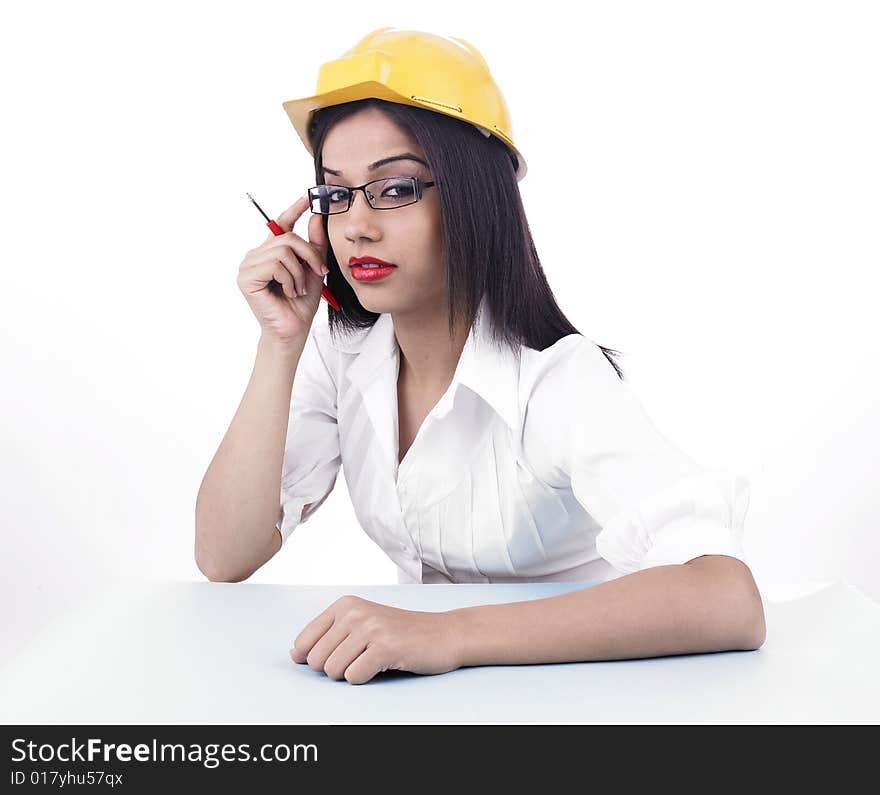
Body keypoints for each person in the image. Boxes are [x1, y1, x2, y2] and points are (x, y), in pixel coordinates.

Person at [195, 28, 765, 685]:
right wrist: (280, 343)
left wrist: (448, 632)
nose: (357, 225)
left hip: (588, 696)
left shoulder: (555, 379)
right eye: (334, 194)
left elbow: (728, 598)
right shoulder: (344, 353)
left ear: (473, 197)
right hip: (427, 705)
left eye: (397, 188)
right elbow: (224, 554)